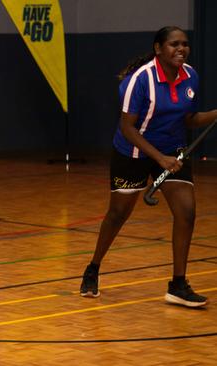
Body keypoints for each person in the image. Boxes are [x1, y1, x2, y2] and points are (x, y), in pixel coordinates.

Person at [79, 26, 217, 308]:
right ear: (158, 49)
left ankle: (178, 284)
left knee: (187, 212)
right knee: (118, 214)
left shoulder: (190, 76)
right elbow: (127, 128)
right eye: (174, 45)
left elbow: (188, 119)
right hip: (133, 151)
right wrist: (160, 159)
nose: (181, 49)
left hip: (172, 148)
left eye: (185, 44)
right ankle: (93, 267)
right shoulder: (139, 81)